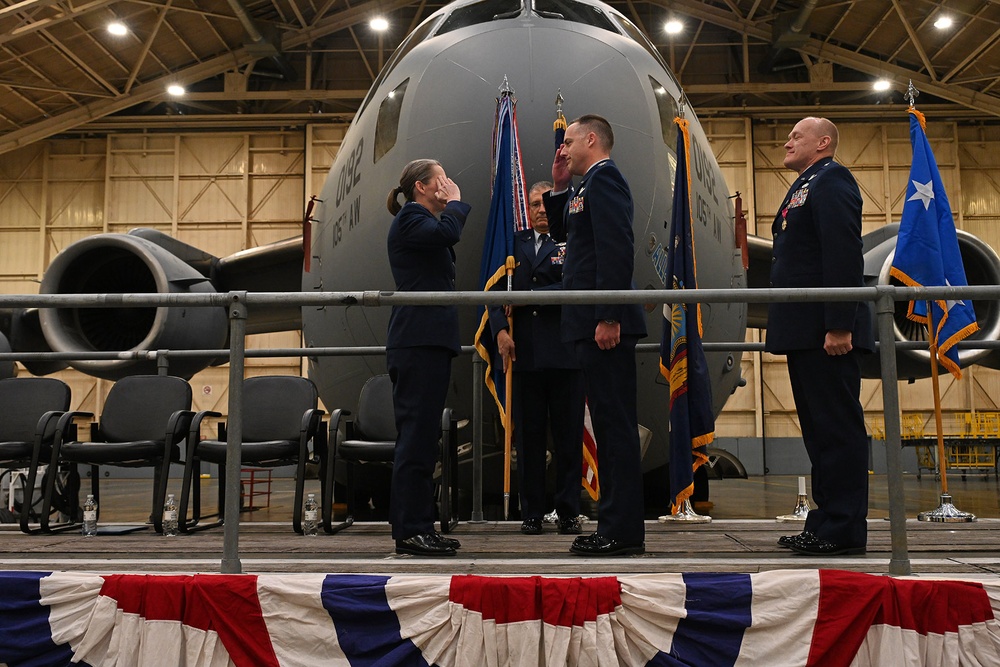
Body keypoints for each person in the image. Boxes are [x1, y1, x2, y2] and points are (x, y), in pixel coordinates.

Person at [766, 117, 874, 556]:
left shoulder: (833, 180)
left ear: (823, 142)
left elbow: (843, 250)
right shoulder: (806, 184)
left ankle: (844, 528)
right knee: (819, 433)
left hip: (826, 330)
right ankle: (826, 523)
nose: (787, 142)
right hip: (806, 329)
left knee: (837, 430)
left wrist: (839, 323)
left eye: (797, 136)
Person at [543, 114, 647, 557]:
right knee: (606, 426)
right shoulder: (585, 186)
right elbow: (572, 241)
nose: (562, 149)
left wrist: (609, 315)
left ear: (591, 139)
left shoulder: (607, 181)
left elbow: (616, 248)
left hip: (603, 325)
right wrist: (559, 189)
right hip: (588, 323)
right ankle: (613, 524)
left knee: (615, 427)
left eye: (567, 142)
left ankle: (621, 531)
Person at [490, 181, 586, 537]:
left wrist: (528, 297)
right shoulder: (513, 243)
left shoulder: (571, 241)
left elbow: (573, 287)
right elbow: (494, 290)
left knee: (567, 439)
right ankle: (530, 512)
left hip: (565, 353)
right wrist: (500, 330)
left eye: (547, 203)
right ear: (527, 209)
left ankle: (568, 512)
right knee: (528, 441)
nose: (542, 209)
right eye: (535, 204)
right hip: (525, 355)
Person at [385, 159, 469, 557]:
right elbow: (448, 232)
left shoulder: (419, 219)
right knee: (416, 439)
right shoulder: (411, 218)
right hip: (417, 340)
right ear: (421, 187)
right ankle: (410, 530)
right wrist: (456, 203)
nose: (447, 184)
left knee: (423, 440)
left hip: (429, 342)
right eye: (441, 179)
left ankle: (421, 525)